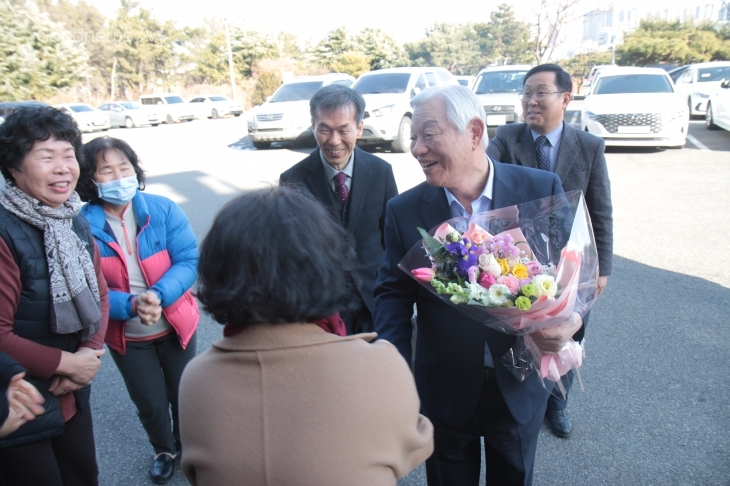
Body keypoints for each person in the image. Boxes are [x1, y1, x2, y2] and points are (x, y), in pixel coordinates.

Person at [373, 85, 583, 486]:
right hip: (445, 387)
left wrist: (571, 323)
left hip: (520, 383)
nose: (417, 148)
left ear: (473, 131)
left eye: (428, 134)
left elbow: (572, 275)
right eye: (414, 137)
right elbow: (392, 295)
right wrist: (394, 370)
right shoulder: (404, 211)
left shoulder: (541, 190)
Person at [179, 187, 433, 486]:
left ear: (217, 271)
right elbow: (413, 447)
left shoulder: (197, 379)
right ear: (325, 266)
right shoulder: (381, 366)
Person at [487, 63, 613, 438]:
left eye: (541, 92)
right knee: (526, 333)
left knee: (569, 333)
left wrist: (601, 267)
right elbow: (486, 169)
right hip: (519, 260)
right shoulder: (507, 139)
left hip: (569, 263)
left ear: (565, 98)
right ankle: (527, 397)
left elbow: (600, 208)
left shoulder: (588, 147)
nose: (531, 101)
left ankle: (558, 403)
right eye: (526, 93)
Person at [76, 137, 199, 485]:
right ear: (91, 180)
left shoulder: (162, 209)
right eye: (106, 171)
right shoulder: (81, 226)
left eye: (124, 167)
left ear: (135, 169)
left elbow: (188, 260)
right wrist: (131, 305)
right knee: (151, 403)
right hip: (127, 335)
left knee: (183, 395)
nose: (118, 177)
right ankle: (164, 450)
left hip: (176, 325)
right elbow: (86, 288)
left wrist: (158, 295)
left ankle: (190, 447)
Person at [0, 105, 109, 485]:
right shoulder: (5, 231)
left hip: (71, 392)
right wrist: (65, 363)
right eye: (46, 157)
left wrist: (87, 355)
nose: (63, 167)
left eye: (68, 155)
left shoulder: (70, 217)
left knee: (83, 475)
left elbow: (99, 293)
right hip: (20, 402)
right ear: (13, 168)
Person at [279, 85, 398, 335]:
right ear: (313, 126)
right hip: (321, 310)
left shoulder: (380, 172)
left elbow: (392, 240)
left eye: (344, 130)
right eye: (324, 130)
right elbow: (291, 252)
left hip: (375, 301)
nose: (334, 141)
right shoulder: (293, 179)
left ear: (359, 128)